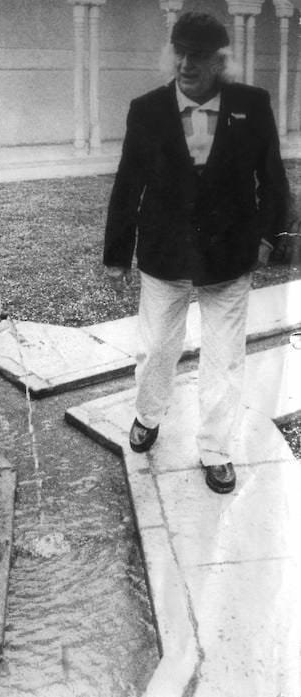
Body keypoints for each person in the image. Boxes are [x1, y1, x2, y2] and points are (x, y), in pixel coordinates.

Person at [104, 11, 291, 495]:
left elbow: (271, 176)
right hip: (165, 253)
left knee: (225, 358)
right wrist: (117, 253)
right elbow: (128, 184)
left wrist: (272, 237)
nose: (187, 63)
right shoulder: (146, 109)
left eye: (200, 55)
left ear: (219, 61)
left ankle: (215, 450)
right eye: (180, 52)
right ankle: (149, 416)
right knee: (156, 348)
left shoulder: (252, 104)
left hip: (229, 255)